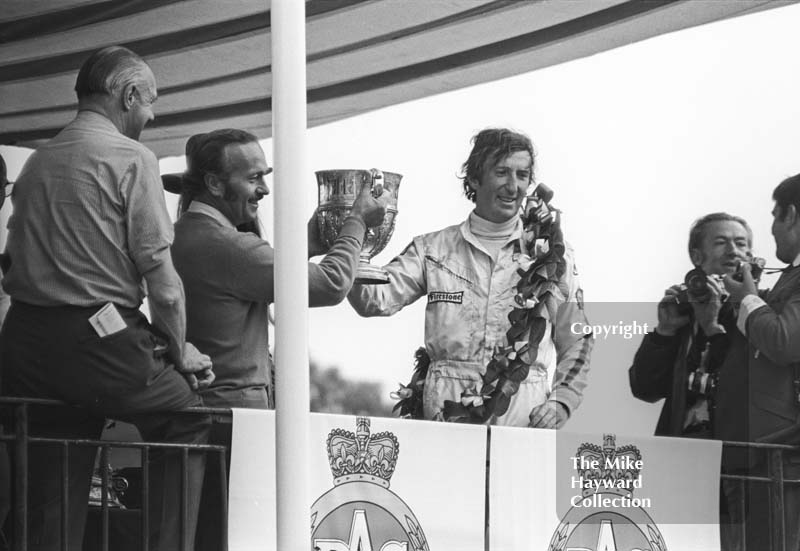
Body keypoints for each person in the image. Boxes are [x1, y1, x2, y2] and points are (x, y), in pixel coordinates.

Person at [0, 46, 212, 551]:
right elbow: (164, 286)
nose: (152, 113)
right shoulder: (131, 157)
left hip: (23, 343)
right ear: (129, 94)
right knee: (187, 418)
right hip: (97, 334)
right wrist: (179, 349)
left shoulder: (36, 162)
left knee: (53, 464)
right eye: (150, 100)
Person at [167, 129, 387, 550]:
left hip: (201, 417)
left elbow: (259, 268)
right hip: (233, 422)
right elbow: (332, 283)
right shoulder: (229, 246)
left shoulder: (187, 234)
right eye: (253, 178)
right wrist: (356, 221)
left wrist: (313, 237)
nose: (265, 189)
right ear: (214, 184)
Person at [348, 128, 592, 428]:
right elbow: (374, 301)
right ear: (475, 178)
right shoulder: (432, 250)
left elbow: (577, 339)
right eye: (501, 172)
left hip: (523, 429)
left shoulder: (552, 255)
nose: (512, 186)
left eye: (522, 175)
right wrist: (352, 241)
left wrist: (561, 400)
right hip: (445, 426)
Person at [723, 173, 800, 551]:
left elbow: (784, 342)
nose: (770, 228)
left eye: (774, 215)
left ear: (791, 213)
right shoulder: (791, 277)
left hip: (787, 453)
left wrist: (748, 299)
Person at [628, 212, 754, 438]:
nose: (733, 250)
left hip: (738, 454)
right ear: (697, 257)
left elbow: (749, 385)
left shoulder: (760, 311)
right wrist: (664, 332)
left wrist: (712, 327)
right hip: (680, 449)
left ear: (750, 255)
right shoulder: (686, 309)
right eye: (721, 242)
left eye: (740, 243)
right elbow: (645, 389)